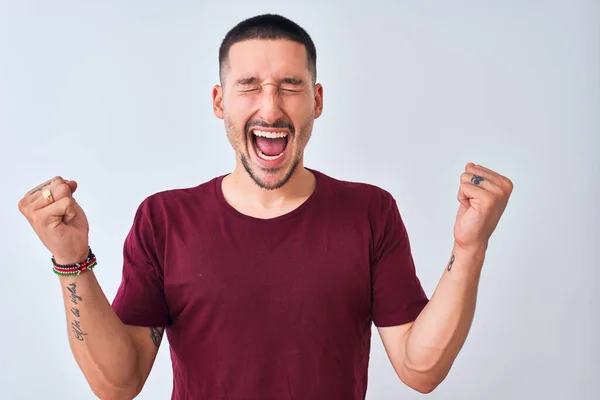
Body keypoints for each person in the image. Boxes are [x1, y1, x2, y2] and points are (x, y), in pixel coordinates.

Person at [18, 13, 513, 400]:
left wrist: (469, 248)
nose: (270, 106)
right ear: (219, 101)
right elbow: (118, 383)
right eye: (249, 86)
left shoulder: (369, 212)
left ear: (317, 100)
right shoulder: (164, 220)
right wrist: (70, 259)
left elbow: (419, 368)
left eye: (290, 85)